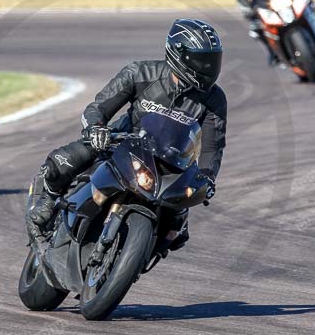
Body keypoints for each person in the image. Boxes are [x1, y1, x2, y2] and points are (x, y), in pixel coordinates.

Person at [26, 18, 227, 251]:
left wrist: (207, 177)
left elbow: (214, 146)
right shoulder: (140, 72)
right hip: (121, 143)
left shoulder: (214, 98)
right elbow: (97, 108)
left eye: (212, 61)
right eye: (202, 62)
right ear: (179, 54)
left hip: (170, 163)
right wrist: (96, 128)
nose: (208, 69)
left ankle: (142, 252)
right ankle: (47, 201)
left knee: (176, 232)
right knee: (64, 162)